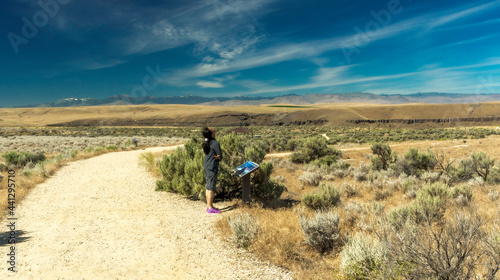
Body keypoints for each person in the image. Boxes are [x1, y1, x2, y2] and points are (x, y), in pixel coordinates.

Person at [202, 127, 223, 214]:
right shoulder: (215, 143)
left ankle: (209, 206)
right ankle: (210, 208)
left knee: (208, 186)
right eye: (212, 130)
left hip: (207, 165)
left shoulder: (207, 142)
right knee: (211, 187)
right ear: (211, 134)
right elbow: (220, 156)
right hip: (212, 166)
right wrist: (219, 157)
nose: (214, 129)